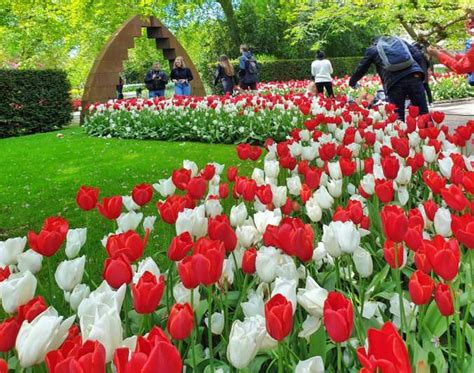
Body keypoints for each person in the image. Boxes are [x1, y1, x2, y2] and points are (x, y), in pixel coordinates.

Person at [349, 36, 428, 121]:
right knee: (423, 112)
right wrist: (419, 73)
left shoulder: (373, 49)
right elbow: (418, 56)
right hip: (414, 77)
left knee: (398, 116)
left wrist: (352, 82)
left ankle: (401, 134)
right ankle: (428, 132)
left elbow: (362, 68)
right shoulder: (400, 42)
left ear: (373, 42)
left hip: (394, 83)